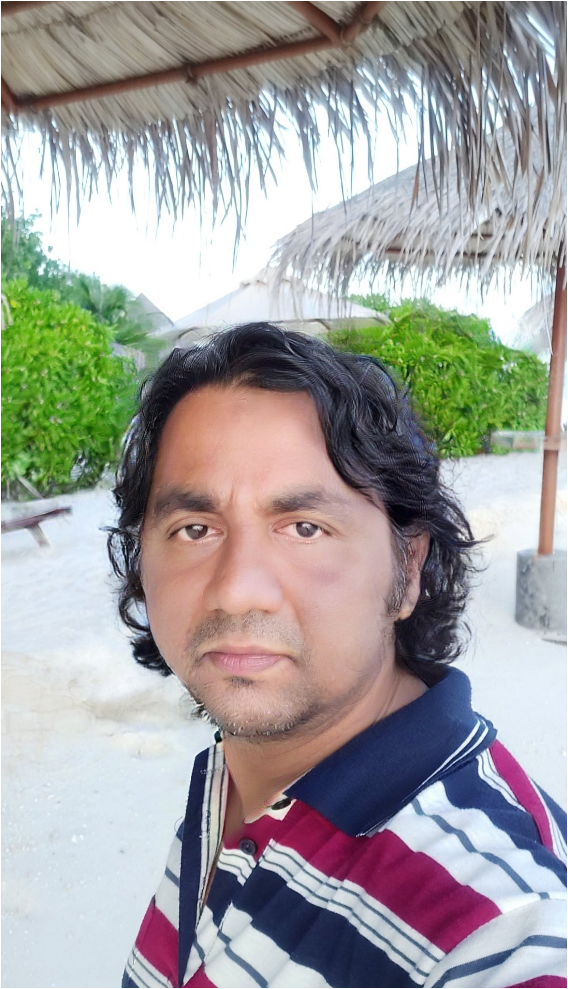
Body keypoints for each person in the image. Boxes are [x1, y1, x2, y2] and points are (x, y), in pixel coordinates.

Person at [108, 323, 567, 989]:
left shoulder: (503, 924)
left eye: (304, 528)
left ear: (408, 568)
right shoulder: (236, 768)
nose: (237, 586)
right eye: (195, 529)